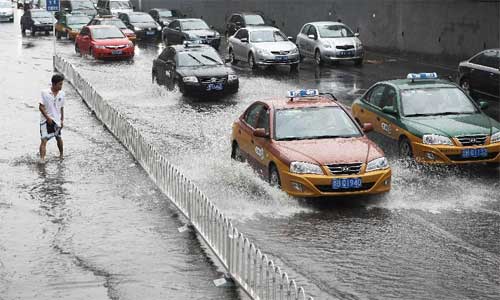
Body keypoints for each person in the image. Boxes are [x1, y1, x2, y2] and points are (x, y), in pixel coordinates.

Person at [39, 74, 65, 162]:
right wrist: (48, 118)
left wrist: (62, 120)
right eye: (60, 84)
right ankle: (42, 159)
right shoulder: (44, 93)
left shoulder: (62, 94)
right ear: (54, 84)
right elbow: (41, 107)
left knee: (59, 137)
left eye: (62, 84)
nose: (61, 86)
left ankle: (61, 155)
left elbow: (62, 108)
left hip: (57, 121)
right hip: (46, 121)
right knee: (44, 140)